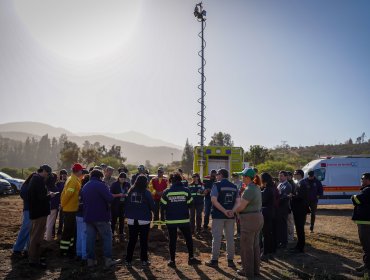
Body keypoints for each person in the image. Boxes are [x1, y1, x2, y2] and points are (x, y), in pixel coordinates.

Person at [160, 172, 201, 268]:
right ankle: (191, 258)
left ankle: (172, 261)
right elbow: (191, 204)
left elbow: (162, 206)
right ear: (180, 180)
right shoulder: (186, 190)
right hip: (184, 220)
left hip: (171, 220)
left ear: (171, 181)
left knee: (172, 240)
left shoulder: (167, 191)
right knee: (188, 239)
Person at [82, 169, 120, 268]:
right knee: (107, 237)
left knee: (90, 239)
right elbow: (110, 198)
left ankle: (90, 261)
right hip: (101, 216)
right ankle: (108, 260)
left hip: (88, 217)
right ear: (100, 177)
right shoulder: (101, 185)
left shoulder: (86, 186)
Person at [232, 168, 263, 278]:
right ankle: (255, 270)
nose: (241, 178)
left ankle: (247, 271)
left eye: (242, 176)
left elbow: (241, 206)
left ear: (247, 177)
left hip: (250, 220)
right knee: (255, 245)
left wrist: (233, 211)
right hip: (257, 218)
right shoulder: (256, 187)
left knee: (246, 247)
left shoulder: (249, 189)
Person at [205, 168, 239, 268]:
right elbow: (238, 202)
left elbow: (214, 200)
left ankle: (214, 260)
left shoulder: (216, 185)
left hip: (218, 216)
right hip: (230, 216)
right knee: (230, 238)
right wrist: (232, 211)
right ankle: (230, 261)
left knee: (217, 238)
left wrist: (224, 211)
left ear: (221, 175)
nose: (216, 176)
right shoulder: (234, 186)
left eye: (217, 174)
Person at [28, 164, 55, 268]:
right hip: (39, 213)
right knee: (36, 236)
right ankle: (33, 260)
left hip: (37, 212)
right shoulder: (37, 180)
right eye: (47, 173)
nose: (47, 176)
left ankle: (34, 258)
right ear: (43, 171)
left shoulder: (36, 179)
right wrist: (50, 196)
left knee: (36, 235)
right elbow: (40, 197)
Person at [124, 175, 155, 267]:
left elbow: (126, 204)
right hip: (144, 219)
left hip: (131, 219)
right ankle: (144, 260)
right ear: (145, 182)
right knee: (143, 241)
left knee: (132, 240)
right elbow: (152, 206)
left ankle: (128, 260)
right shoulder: (146, 192)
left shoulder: (130, 191)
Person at [60, 163, 84, 257]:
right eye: (81, 170)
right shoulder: (73, 180)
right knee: (67, 231)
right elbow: (67, 194)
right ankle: (63, 251)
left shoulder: (73, 179)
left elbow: (63, 192)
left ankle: (70, 249)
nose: (82, 172)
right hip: (70, 210)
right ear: (78, 171)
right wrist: (62, 205)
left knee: (71, 231)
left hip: (72, 209)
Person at [351, 173, 370, 277]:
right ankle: (366, 265)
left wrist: (353, 196)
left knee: (367, 246)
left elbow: (357, 199)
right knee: (366, 246)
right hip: (365, 222)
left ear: (368, 180)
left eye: (363, 179)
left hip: (366, 223)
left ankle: (368, 270)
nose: (361, 180)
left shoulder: (368, 190)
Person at [12, 173, 35, 257]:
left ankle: (27, 248)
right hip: (28, 210)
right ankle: (17, 248)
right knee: (25, 229)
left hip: (31, 210)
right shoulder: (26, 186)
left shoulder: (29, 186)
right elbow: (24, 195)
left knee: (30, 230)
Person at [290, 169, 309, 253]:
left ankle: (301, 246)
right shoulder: (299, 183)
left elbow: (300, 196)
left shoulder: (302, 183)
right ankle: (299, 245)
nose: (294, 175)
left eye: (295, 174)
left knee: (300, 228)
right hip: (298, 208)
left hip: (300, 209)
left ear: (300, 175)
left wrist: (292, 196)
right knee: (298, 228)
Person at [260, 172, 277, 259]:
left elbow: (263, 200)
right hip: (271, 212)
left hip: (266, 213)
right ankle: (270, 251)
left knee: (265, 233)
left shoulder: (267, 189)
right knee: (269, 233)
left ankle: (265, 252)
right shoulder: (272, 187)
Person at [110, 172, 130, 240]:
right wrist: (119, 195)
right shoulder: (114, 185)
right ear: (118, 178)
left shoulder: (127, 184)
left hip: (123, 204)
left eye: (124, 178)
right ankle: (112, 234)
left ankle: (121, 233)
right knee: (114, 220)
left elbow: (130, 192)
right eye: (121, 178)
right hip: (115, 204)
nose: (122, 180)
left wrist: (126, 195)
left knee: (122, 220)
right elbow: (110, 195)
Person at [276, 170, 292, 248]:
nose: (280, 177)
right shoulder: (280, 184)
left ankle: (284, 242)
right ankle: (280, 240)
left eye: (281, 176)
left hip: (283, 208)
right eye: (279, 175)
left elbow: (284, 198)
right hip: (279, 208)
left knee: (283, 225)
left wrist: (276, 201)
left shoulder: (287, 185)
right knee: (280, 225)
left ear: (286, 177)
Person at [75, 174, 89, 262]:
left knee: (79, 234)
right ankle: (84, 255)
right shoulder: (87, 190)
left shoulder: (80, 189)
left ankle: (79, 253)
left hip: (77, 214)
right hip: (84, 215)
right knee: (85, 235)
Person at [45, 173, 59, 241]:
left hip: (45, 206)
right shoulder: (55, 187)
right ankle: (48, 238)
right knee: (50, 224)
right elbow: (57, 199)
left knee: (45, 223)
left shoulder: (45, 186)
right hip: (53, 207)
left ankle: (44, 237)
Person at [56, 169, 68, 237]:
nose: (64, 176)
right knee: (61, 218)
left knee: (64, 218)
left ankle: (62, 231)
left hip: (66, 203)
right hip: (60, 203)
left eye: (65, 174)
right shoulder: (58, 183)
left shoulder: (68, 182)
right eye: (63, 174)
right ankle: (59, 232)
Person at [286, 171, 296, 242]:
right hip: (288, 206)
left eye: (288, 175)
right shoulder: (288, 183)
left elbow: (292, 195)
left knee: (290, 222)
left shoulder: (292, 184)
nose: (287, 177)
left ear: (291, 176)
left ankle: (291, 237)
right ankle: (289, 236)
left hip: (291, 206)